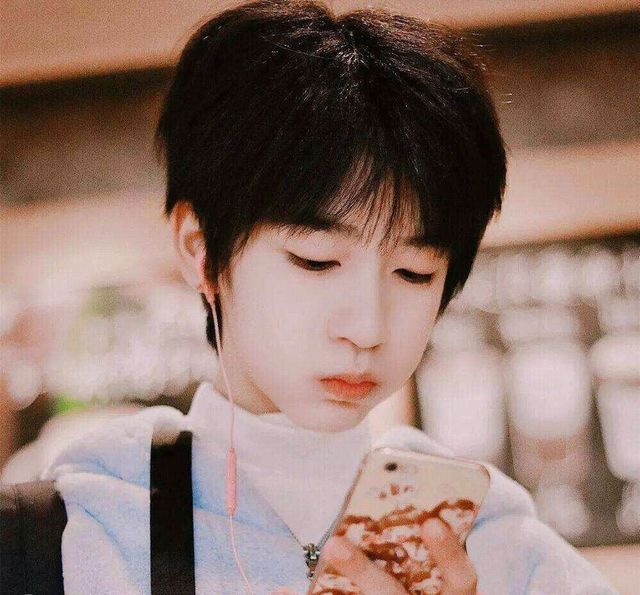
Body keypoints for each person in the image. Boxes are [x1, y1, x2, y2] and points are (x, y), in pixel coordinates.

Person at [40, 1, 617, 593]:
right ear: (201, 250)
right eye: (316, 261)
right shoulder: (92, 522)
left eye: (414, 272)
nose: (367, 329)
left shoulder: (495, 541)